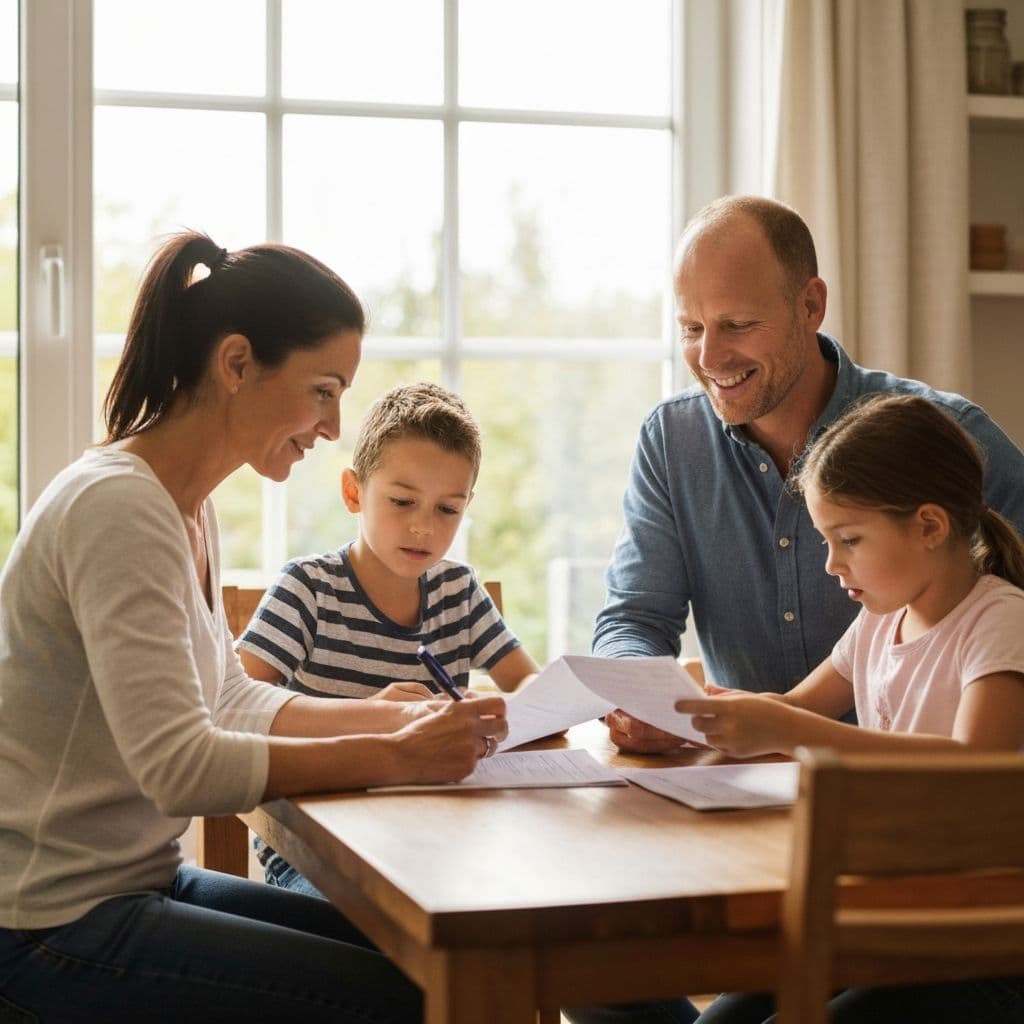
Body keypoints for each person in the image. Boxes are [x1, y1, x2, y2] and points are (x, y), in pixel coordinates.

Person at [0, 231, 507, 1023]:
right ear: (236, 363)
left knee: (428, 955)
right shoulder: (119, 508)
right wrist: (394, 750)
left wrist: (395, 713)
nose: (335, 426)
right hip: (48, 924)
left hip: (132, 883)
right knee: (410, 998)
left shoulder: (184, 505)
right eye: (323, 389)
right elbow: (180, 767)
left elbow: (229, 698)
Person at [593, 194, 1024, 755]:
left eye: (738, 324)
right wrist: (639, 696)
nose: (710, 357)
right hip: (747, 782)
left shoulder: (944, 436)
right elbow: (634, 618)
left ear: (810, 305)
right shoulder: (671, 442)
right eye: (692, 328)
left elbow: (981, 760)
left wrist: (788, 729)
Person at [678, 392, 1024, 1024]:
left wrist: (788, 726)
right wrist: (691, 716)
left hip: (983, 947)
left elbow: (978, 768)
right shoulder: (877, 621)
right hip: (886, 915)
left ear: (928, 526)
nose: (832, 564)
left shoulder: (999, 620)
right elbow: (791, 708)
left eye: (849, 539)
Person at [237, 380, 539, 897]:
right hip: (319, 851)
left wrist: (491, 714)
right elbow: (238, 709)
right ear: (354, 492)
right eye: (402, 501)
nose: (424, 528)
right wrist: (369, 718)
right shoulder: (308, 589)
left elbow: (529, 684)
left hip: (438, 833)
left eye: (448, 509)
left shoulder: (458, 591)